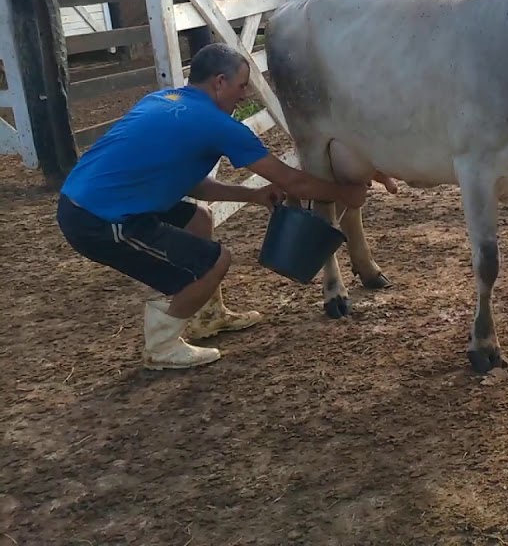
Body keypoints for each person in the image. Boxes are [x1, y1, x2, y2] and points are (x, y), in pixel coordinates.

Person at [56, 42, 370, 371]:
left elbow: (191, 184)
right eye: (241, 85)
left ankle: (207, 317)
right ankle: (161, 346)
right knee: (214, 262)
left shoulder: (163, 100)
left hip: (95, 196)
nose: (245, 95)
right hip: (97, 218)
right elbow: (296, 183)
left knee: (199, 219)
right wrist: (344, 192)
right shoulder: (218, 125)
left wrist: (253, 195)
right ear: (219, 82)